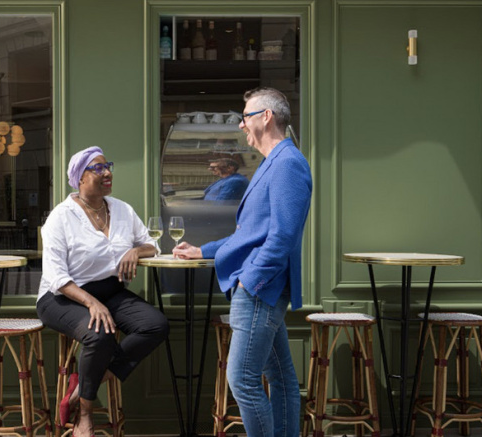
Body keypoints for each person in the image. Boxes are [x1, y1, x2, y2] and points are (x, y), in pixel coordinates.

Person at [173, 88, 312, 437]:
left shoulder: (288, 164)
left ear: (267, 116)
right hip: (259, 287)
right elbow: (250, 233)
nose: (241, 125)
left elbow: (282, 236)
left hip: (259, 290)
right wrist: (204, 251)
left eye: (246, 116)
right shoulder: (273, 163)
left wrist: (251, 282)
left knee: (243, 381)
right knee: (280, 379)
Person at [37, 146, 169, 437]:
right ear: (80, 178)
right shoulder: (61, 217)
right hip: (63, 296)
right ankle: (84, 416)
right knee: (100, 334)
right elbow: (56, 276)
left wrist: (136, 250)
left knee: (155, 325)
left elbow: (153, 245)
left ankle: (83, 385)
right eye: (97, 168)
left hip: (110, 290)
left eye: (107, 165)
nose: (107, 172)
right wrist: (92, 304)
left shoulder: (122, 209)